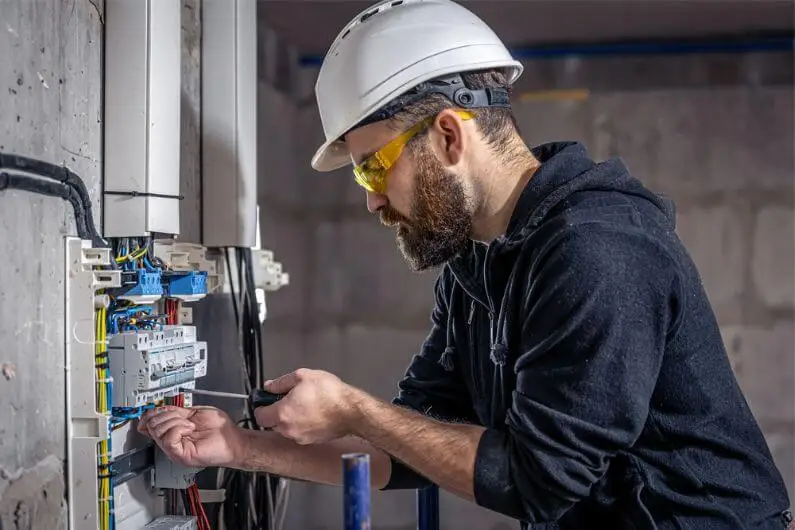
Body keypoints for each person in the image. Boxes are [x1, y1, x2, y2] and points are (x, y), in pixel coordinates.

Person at [139, 0, 792, 527]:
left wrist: (354, 409)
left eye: (373, 164)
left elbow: (539, 481)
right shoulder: (475, 270)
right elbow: (412, 449)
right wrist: (244, 448)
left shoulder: (598, 246)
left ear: (449, 135)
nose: (370, 199)